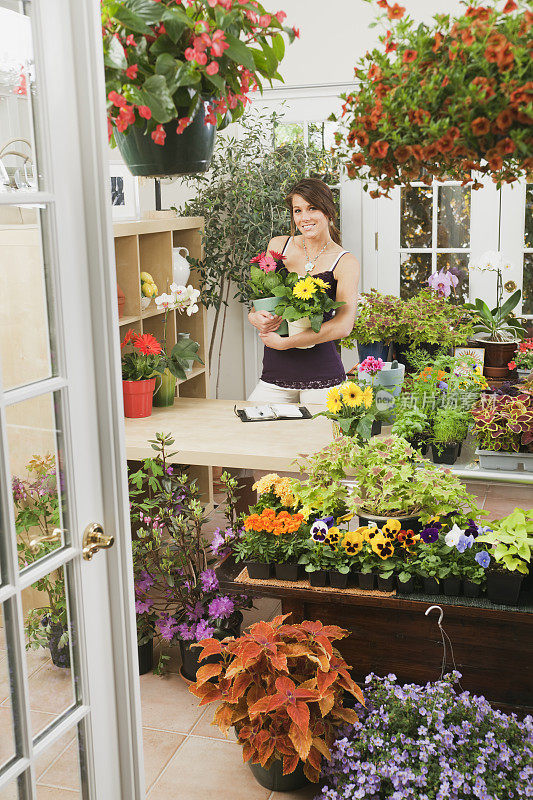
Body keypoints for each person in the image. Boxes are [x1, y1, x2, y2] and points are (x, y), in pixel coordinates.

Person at [247, 177, 360, 404]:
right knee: (254, 437)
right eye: (298, 211)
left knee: (320, 440)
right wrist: (254, 317)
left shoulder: (345, 262)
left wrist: (286, 342)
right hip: (274, 377)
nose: (304, 218)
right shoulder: (278, 246)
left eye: (312, 208)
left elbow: (344, 325)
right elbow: (261, 300)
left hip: (323, 380)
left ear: (328, 212)